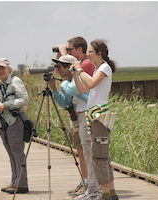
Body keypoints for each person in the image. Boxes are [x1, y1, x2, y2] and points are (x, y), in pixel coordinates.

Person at [48, 55, 101, 199]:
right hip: (83, 116)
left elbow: (71, 90)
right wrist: (53, 88)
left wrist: (63, 82)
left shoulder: (78, 79)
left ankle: (94, 189)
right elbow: (65, 102)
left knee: (90, 154)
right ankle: (93, 188)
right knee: (88, 153)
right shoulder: (71, 81)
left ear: (69, 67)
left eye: (59, 66)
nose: (57, 70)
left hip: (88, 115)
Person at [71, 39, 119, 200]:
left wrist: (79, 69)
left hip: (99, 116)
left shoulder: (104, 67)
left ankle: (106, 194)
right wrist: (76, 74)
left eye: (90, 52)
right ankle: (110, 194)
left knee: (99, 157)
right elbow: (82, 88)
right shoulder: (99, 68)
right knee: (102, 156)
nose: (88, 55)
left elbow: (90, 83)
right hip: (95, 116)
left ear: (99, 53)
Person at [0, 58, 29, 194]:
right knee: (10, 152)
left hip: (15, 120)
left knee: (17, 152)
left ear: (9, 69)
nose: (1, 71)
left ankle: (21, 184)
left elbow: (25, 99)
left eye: (3, 68)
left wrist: (6, 105)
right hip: (3, 122)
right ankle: (14, 181)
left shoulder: (15, 81)